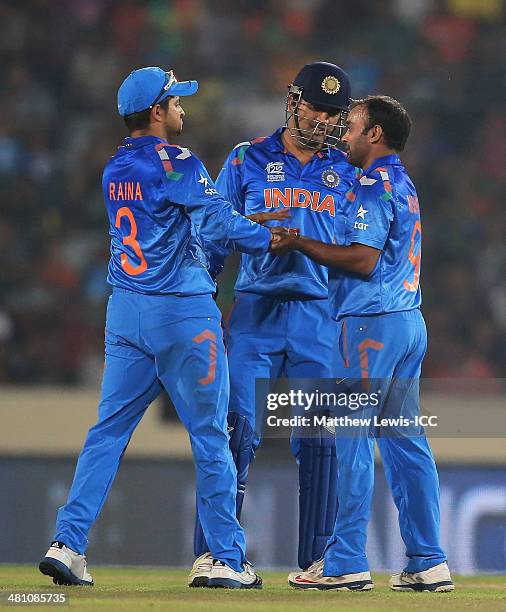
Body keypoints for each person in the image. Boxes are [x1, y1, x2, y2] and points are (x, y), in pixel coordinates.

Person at [38, 66, 285, 590]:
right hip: (181, 311)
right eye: (175, 101)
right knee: (211, 434)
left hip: (126, 311)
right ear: (156, 111)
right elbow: (218, 220)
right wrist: (271, 239)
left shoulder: (113, 168)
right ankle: (225, 557)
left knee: (107, 432)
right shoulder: (177, 162)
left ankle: (67, 543)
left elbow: (177, 219)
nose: (182, 109)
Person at [271, 96, 454, 592]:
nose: (344, 134)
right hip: (407, 322)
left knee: (351, 439)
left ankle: (347, 559)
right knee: (404, 443)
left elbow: (364, 259)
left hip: (370, 324)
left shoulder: (373, 184)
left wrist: (298, 242)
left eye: (351, 126)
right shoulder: (403, 182)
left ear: (375, 134)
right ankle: (427, 560)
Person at [192, 62, 356, 583]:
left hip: (318, 316)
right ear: (293, 102)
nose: (325, 120)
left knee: (320, 438)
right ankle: (216, 555)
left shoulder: (348, 169)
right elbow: (214, 235)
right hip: (255, 313)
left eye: (334, 113)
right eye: (317, 107)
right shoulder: (246, 159)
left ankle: (318, 562)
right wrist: (202, 301)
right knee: (236, 429)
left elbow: (362, 247)